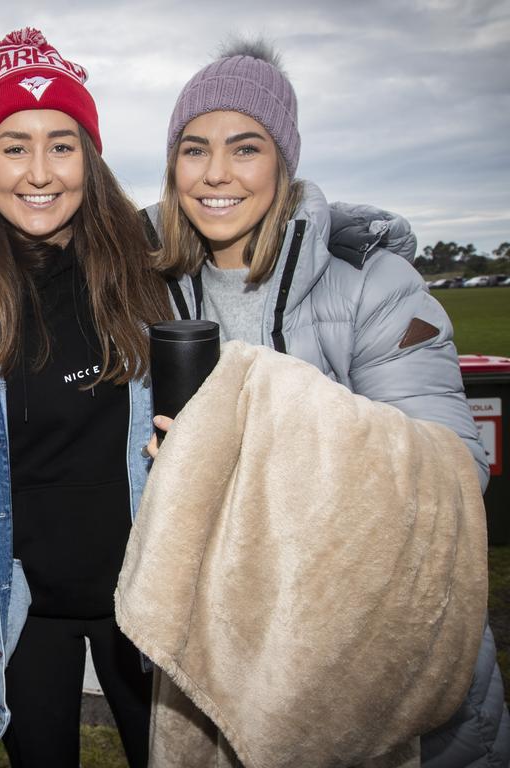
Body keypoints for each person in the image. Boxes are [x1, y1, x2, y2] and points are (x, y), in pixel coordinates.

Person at [145, 39, 508, 765]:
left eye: (245, 148)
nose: (216, 173)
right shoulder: (144, 285)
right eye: (194, 149)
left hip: (369, 649)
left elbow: (455, 473)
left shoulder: (374, 284)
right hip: (217, 651)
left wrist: (258, 442)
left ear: (284, 162)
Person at [0, 27, 171, 768]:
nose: (39, 170)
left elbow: (252, 226)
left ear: (89, 157)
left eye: (62, 143)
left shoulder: (151, 272)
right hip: (23, 603)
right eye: (14, 145)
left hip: (147, 594)